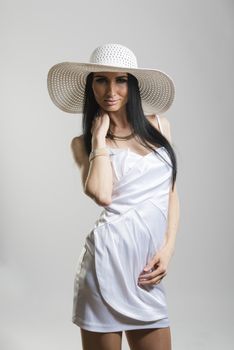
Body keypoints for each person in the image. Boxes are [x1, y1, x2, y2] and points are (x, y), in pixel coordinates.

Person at [47, 43, 180, 350]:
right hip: (105, 265)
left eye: (120, 79)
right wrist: (98, 138)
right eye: (101, 80)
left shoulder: (159, 127)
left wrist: (169, 248)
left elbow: (171, 194)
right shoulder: (84, 143)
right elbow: (103, 194)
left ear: (131, 85)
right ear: (90, 84)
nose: (111, 90)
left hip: (143, 274)